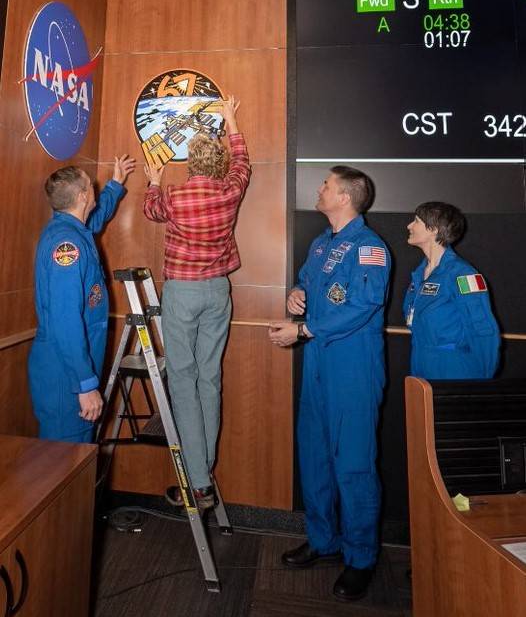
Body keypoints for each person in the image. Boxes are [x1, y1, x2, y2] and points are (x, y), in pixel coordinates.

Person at [269, 166, 391, 601]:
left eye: (326, 185)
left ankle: (361, 558)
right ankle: (324, 541)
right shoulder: (322, 245)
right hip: (319, 366)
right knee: (315, 456)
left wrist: (304, 330)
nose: (319, 190)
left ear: (345, 197)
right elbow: (309, 283)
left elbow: (362, 304)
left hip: (353, 370)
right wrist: (296, 294)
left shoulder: (370, 248)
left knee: (354, 465)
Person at [143, 95, 251, 510]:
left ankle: (200, 482)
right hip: (218, 290)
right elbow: (243, 164)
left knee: (183, 380)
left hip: (183, 292)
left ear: (190, 163)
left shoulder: (175, 197)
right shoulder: (230, 192)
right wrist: (231, 119)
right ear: (218, 164)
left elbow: (151, 209)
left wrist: (153, 179)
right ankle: (204, 466)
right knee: (209, 379)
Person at [28, 155, 136, 443]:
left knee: (70, 466)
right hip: (67, 378)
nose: (95, 190)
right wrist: (85, 385)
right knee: (63, 468)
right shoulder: (68, 246)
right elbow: (65, 320)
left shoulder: (73, 230)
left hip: (70, 371)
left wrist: (115, 183)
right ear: (82, 195)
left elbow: (96, 218)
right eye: (92, 186)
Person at [404, 202, 500, 379]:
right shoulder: (419, 275)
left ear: (433, 229)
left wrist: (484, 381)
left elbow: (483, 331)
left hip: (455, 371)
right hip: (421, 365)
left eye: (416, 221)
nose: (409, 225)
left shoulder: (463, 275)